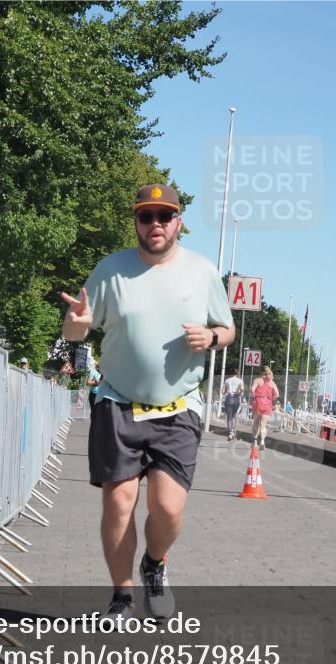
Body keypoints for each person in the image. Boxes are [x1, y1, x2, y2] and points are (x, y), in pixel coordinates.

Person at [60, 183, 234, 619]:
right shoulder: (110, 270)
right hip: (118, 401)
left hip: (177, 406)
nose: (155, 224)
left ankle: (154, 564)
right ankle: (121, 596)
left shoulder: (202, 271)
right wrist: (76, 323)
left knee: (168, 507)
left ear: (178, 222)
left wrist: (212, 337)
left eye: (164, 216)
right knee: (119, 503)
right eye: (146, 216)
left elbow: (227, 329)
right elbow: (75, 331)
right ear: (136, 221)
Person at [251, 366, 278, 450]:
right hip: (267, 404)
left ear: (261, 373)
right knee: (263, 425)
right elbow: (277, 394)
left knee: (255, 423)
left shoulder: (257, 380)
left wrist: (254, 395)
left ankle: (255, 442)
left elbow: (252, 389)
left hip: (258, 402)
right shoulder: (272, 383)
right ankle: (262, 441)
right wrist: (271, 400)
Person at [221, 367, 244, 441]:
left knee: (229, 417)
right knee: (234, 416)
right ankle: (233, 432)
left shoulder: (227, 380)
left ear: (231, 373)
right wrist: (238, 393)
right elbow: (242, 390)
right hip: (236, 399)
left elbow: (223, 391)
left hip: (229, 398)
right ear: (237, 373)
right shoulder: (240, 381)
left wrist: (226, 391)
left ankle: (231, 433)